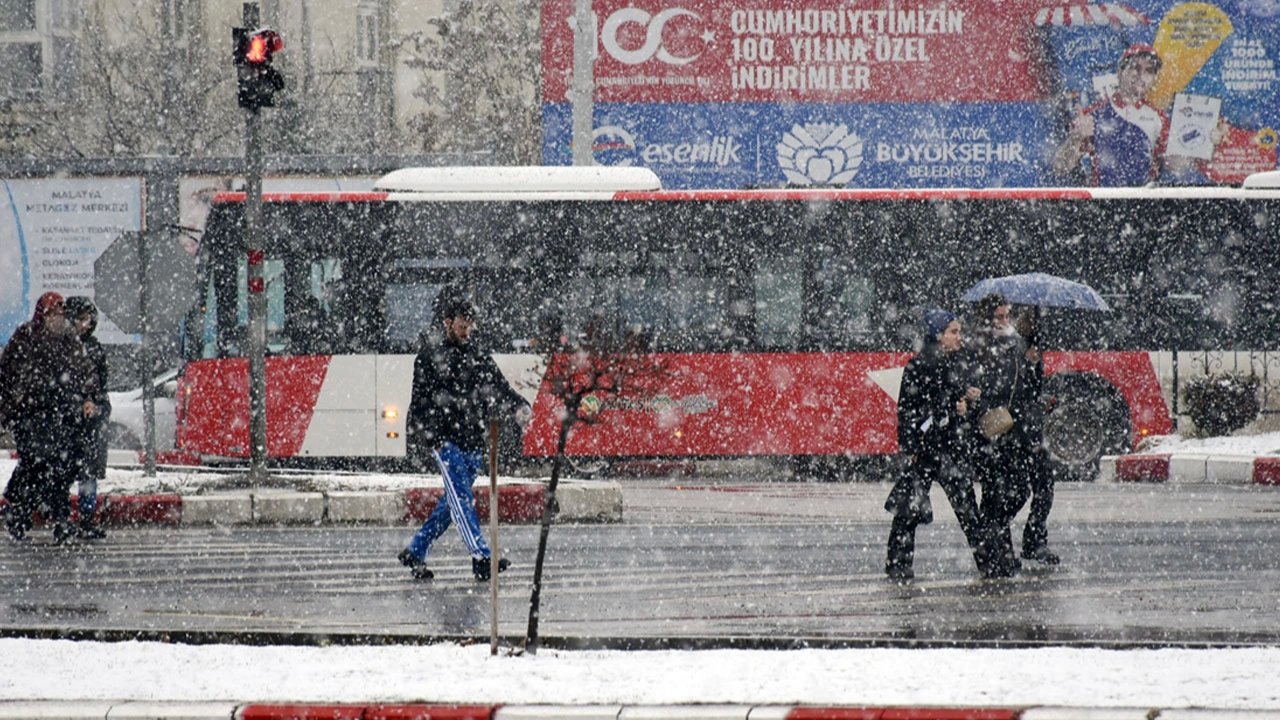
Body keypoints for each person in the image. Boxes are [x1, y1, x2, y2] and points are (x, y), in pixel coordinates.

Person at [398, 295, 531, 581]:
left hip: (473, 439)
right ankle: (481, 556)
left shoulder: (478, 354)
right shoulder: (429, 356)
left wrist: (519, 405)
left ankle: (416, 550)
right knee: (462, 498)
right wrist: (433, 437)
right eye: (462, 326)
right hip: (446, 441)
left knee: (452, 504)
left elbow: (498, 386)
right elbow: (419, 402)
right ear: (447, 322)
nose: (467, 332)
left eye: (470, 327)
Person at [884, 308, 987, 581]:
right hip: (930, 449)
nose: (959, 337)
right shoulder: (921, 366)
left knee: (965, 510)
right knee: (912, 510)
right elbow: (909, 411)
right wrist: (913, 447)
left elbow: (951, 405)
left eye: (959, 331)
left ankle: (899, 565)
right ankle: (899, 565)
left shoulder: (955, 362)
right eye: (953, 332)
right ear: (938, 335)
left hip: (948, 447)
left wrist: (966, 402)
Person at [0, 292, 97, 543]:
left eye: (60, 314)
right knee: (35, 465)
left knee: (60, 466)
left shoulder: (68, 339)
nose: (56, 319)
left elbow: (85, 369)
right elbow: (7, 371)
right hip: (29, 414)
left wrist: (87, 396)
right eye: (51, 314)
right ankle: (21, 514)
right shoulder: (26, 336)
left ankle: (55, 518)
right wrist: (14, 400)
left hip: (59, 413)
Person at [968, 295, 1044, 577]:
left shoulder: (1016, 345)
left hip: (1011, 432)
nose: (1004, 322)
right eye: (998, 317)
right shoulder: (977, 347)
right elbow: (977, 386)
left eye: (1006, 316)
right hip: (989, 433)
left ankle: (998, 549)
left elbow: (1030, 390)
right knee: (997, 495)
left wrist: (1032, 363)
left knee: (1012, 493)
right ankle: (997, 554)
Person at [1053, 43, 1168, 187]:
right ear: (1120, 72)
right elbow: (1061, 167)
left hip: (1143, 203)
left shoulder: (1160, 119)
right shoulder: (1093, 114)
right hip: (1103, 203)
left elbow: (1175, 168)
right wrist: (1077, 137)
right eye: (1136, 68)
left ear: (1154, 79)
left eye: (1149, 71)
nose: (1141, 75)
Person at [1013, 306, 1059, 565]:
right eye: (1025, 316)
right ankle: (999, 542)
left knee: (1044, 485)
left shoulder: (1035, 346)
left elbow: (1030, 390)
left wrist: (1040, 400)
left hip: (1032, 429)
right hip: (1015, 431)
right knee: (1017, 491)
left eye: (1033, 317)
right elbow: (1008, 387)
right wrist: (1025, 363)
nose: (1029, 322)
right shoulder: (1011, 346)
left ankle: (1035, 539)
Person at [64, 296, 111, 540]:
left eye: (88, 318)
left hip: (91, 426)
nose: (85, 324)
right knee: (63, 471)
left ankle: (87, 519)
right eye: (80, 319)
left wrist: (96, 407)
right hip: (68, 424)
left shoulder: (93, 347)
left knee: (88, 474)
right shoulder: (62, 346)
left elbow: (102, 385)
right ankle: (61, 519)